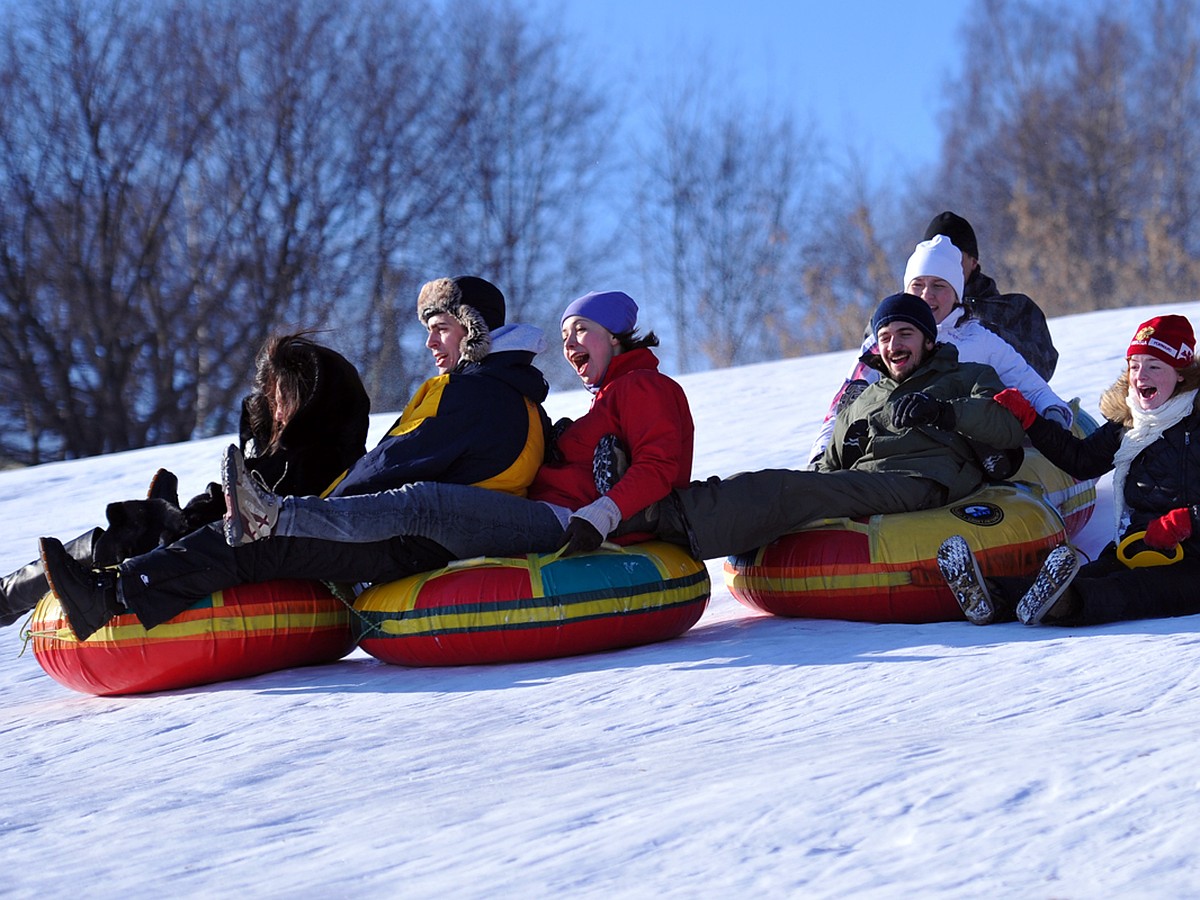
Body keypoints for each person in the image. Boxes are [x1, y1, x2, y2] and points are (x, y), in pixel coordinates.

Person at [39, 275, 551, 641]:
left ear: (473, 328)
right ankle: (121, 580)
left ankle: (111, 597)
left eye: (441, 327)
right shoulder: (517, 393)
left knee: (257, 541)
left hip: (418, 539)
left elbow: (393, 466)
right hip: (431, 534)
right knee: (259, 535)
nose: (430, 342)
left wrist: (317, 511)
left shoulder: (471, 394)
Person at [221, 289, 694, 560]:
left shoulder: (643, 387)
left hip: (567, 524)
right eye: (565, 334)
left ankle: (281, 517)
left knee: (424, 503)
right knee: (423, 502)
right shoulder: (610, 398)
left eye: (582, 331)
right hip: (550, 515)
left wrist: (605, 512)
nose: (569, 343)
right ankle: (278, 519)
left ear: (615, 336)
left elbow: (659, 465)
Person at [620, 292, 1026, 561]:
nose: (894, 344)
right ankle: (644, 503)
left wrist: (942, 411)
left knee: (790, 489)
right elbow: (827, 470)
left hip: (923, 478)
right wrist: (842, 449)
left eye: (906, 333)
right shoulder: (864, 396)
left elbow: (1007, 425)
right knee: (785, 485)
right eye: (885, 336)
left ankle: (651, 517)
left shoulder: (966, 374)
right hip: (864, 483)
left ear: (929, 340)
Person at [0, 332, 369, 628]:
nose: (275, 412)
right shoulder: (290, 453)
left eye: (281, 399)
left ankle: (8, 598)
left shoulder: (322, 462)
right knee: (137, 529)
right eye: (270, 401)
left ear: (312, 402)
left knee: (134, 535)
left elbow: (269, 519)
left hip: (258, 559)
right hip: (234, 543)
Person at [937, 313, 1200, 627]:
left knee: (1129, 591)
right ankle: (992, 597)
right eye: (1134, 366)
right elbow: (1081, 460)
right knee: (1092, 573)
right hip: (1138, 544)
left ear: (1182, 374)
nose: (1140, 376)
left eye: (1154, 367)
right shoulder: (1131, 424)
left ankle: (1061, 603)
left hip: (1193, 559)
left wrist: (1188, 520)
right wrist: (1032, 421)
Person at [807, 234, 1071, 464]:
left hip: (958, 454)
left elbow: (1033, 389)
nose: (926, 295)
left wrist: (1053, 419)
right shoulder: (883, 344)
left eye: (939, 286)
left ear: (956, 293)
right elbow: (843, 408)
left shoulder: (979, 340)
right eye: (917, 285)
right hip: (892, 450)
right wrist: (820, 456)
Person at [923, 210, 1058, 381]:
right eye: (935, 258)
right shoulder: (907, 316)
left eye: (954, 256)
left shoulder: (1016, 308)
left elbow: (1042, 367)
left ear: (973, 262)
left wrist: (984, 334)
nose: (945, 265)